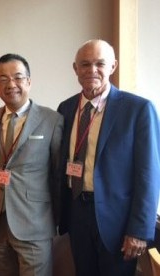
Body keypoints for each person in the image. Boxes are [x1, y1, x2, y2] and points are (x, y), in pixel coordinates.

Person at [58, 39, 160, 276]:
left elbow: (149, 175)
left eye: (99, 64)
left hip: (118, 221)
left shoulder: (138, 110)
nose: (92, 70)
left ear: (113, 66)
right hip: (77, 214)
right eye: (85, 64)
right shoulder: (66, 108)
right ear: (75, 69)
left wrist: (139, 230)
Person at [0, 53, 63, 276]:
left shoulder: (52, 120)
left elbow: (57, 175)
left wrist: (54, 219)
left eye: (18, 77)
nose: (11, 84)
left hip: (35, 223)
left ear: (29, 81)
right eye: (3, 79)